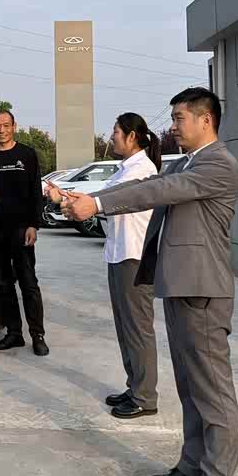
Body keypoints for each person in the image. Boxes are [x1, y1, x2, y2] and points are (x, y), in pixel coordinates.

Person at [62, 87, 238, 476]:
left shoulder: (219, 164)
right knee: (189, 386)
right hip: (180, 286)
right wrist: (92, 200)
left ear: (206, 120)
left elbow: (159, 191)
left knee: (212, 390)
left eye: (179, 118)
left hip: (203, 290)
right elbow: (150, 184)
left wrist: (97, 203)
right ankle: (192, 466)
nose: (173, 126)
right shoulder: (187, 162)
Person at [50, 112, 161, 417]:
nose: (112, 137)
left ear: (132, 136)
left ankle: (145, 396)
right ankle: (134, 386)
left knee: (137, 328)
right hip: (119, 254)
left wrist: (76, 201)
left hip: (134, 256)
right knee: (125, 327)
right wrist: (68, 198)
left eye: (116, 132)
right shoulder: (125, 168)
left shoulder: (143, 170)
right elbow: (101, 197)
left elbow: (112, 199)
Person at [0, 110, 48, 356]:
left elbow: (36, 191)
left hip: (21, 230)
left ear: (14, 126)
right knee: (4, 283)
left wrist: (34, 225)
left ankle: (37, 335)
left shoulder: (27, 155)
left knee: (29, 283)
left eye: (6, 125)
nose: (2, 130)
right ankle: (14, 333)